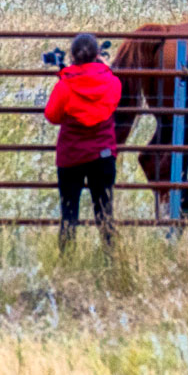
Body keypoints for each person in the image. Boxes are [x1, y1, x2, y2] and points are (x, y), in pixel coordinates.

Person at [43, 33, 121, 250]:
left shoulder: (65, 87)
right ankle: (111, 259)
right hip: (103, 155)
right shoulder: (112, 82)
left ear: (72, 57)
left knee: (69, 214)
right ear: (98, 55)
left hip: (71, 156)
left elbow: (52, 116)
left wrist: (65, 75)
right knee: (105, 213)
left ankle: (67, 261)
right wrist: (105, 68)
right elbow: (113, 99)